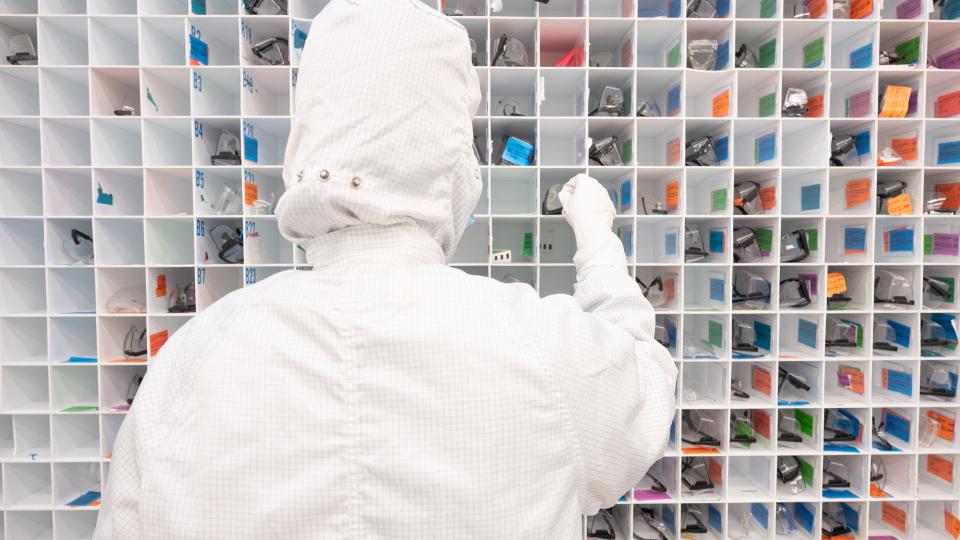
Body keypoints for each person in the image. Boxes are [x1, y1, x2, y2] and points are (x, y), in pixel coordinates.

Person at [94, 1, 676, 538]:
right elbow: (643, 388)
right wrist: (599, 244)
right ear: (449, 159)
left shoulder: (192, 360)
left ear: (305, 148)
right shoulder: (539, 345)